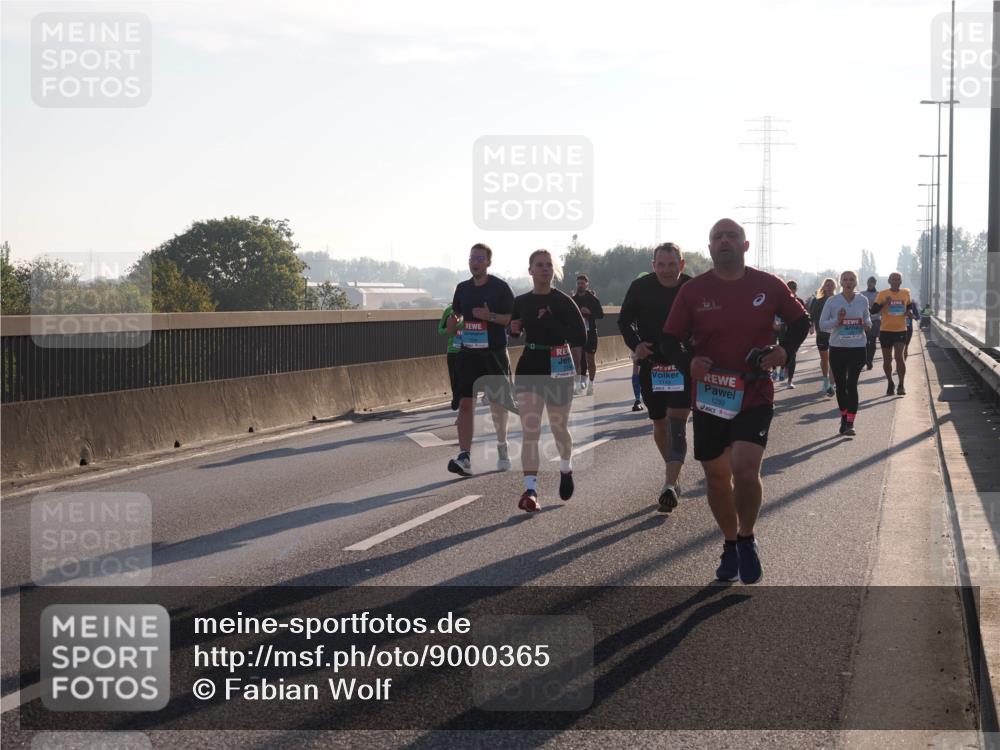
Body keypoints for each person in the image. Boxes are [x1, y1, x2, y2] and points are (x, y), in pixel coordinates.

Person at [661, 218, 809, 584]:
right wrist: (687, 362)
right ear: (709, 247)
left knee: (745, 469)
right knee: (716, 477)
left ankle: (747, 538)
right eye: (717, 237)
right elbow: (668, 339)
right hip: (710, 394)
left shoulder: (767, 285)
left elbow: (801, 321)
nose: (724, 241)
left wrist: (784, 351)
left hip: (754, 389)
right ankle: (729, 542)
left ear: (745, 245)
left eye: (732, 236)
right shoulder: (693, 291)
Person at [509, 250, 587, 512]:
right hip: (530, 364)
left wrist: (579, 373)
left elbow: (579, 336)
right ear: (530, 270)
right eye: (539, 265)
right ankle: (530, 489)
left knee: (558, 427)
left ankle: (566, 469)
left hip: (558, 366)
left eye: (548, 265)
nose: (544, 269)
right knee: (530, 430)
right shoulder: (520, 301)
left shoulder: (563, 301)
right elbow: (514, 329)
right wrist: (514, 328)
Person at [618, 242, 693, 512]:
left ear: (681, 264)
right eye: (661, 265)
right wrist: (636, 345)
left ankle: (669, 485)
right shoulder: (641, 288)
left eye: (672, 264)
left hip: (682, 365)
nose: (667, 270)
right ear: (653, 266)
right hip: (652, 364)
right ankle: (672, 472)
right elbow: (624, 321)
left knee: (677, 424)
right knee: (660, 424)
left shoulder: (691, 287)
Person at [445, 243, 515, 476]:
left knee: (498, 405)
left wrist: (490, 316)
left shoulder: (500, 288)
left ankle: (502, 446)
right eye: (472, 258)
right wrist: (453, 321)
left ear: (488, 262)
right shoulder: (462, 288)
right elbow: (456, 311)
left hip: (494, 352)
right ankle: (465, 456)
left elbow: (511, 320)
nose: (475, 262)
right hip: (468, 352)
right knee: (466, 403)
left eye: (480, 258)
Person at [819, 271, 872, 436]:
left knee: (852, 384)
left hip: (857, 348)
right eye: (845, 279)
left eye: (852, 279)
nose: (848, 282)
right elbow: (822, 325)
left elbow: (868, 319)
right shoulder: (832, 301)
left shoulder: (862, 300)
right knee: (841, 386)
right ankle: (843, 416)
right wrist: (838, 321)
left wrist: (866, 324)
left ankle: (850, 423)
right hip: (838, 348)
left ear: (856, 282)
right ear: (840, 282)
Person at [870, 272, 913, 396]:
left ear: (900, 281)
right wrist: (884, 303)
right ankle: (890, 382)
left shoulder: (905, 293)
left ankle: (901, 384)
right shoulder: (882, 294)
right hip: (886, 331)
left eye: (898, 279)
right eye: (893, 279)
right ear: (889, 281)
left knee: (899, 357)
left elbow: (909, 305)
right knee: (887, 360)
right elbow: (873, 311)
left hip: (900, 330)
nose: (896, 281)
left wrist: (909, 312)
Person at [571, 274, 604, 396]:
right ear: (576, 284)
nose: (580, 285)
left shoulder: (593, 299)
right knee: (577, 360)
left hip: (590, 333)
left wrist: (590, 312)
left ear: (587, 285)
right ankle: (578, 385)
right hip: (577, 333)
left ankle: (591, 384)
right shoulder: (573, 300)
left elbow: (601, 315)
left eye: (582, 283)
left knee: (590, 359)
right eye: (578, 283)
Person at [807, 278, 837, 397]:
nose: (829, 287)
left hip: (836, 334)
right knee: (825, 360)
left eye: (831, 285)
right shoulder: (818, 301)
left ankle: (831, 384)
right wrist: (812, 326)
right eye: (827, 285)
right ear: (823, 287)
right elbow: (812, 316)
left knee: (833, 360)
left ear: (835, 287)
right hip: (822, 334)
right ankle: (825, 380)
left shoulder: (838, 300)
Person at [777, 279, 806, 388]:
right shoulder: (779, 301)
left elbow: (804, 317)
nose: (792, 290)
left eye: (793, 288)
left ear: (796, 289)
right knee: (780, 350)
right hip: (782, 330)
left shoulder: (800, 301)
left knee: (792, 354)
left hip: (795, 331)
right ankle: (780, 368)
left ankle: (789, 381)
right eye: (789, 288)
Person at [438, 304, 463, 411]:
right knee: (455, 379)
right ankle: (456, 398)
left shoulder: (473, 308)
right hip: (453, 350)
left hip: (470, 350)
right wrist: (448, 330)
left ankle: (463, 408)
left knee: (465, 381)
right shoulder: (449, 310)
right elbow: (440, 330)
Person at [859, 276, 881, 370]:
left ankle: (870, 360)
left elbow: (881, 307)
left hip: (875, 320)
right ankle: (864, 360)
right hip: (863, 321)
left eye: (872, 282)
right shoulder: (862, 294)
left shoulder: (879, 294)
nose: (870, 284)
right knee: (864, 342)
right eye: (868, 282)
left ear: (875, 283)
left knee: (872, 341)